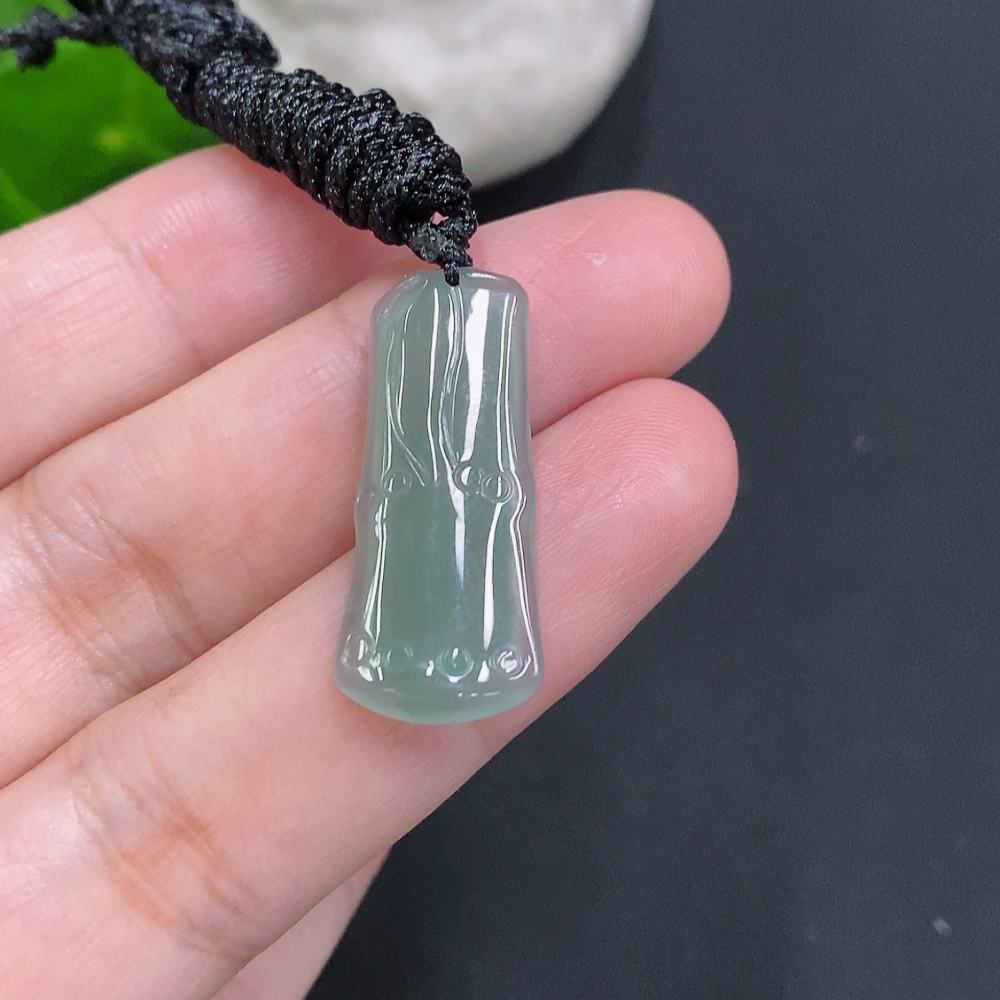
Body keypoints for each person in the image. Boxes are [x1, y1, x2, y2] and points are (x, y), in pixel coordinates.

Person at [0, 146, 737, 999]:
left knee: (466, 492)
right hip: (415, 633)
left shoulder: (462, 315)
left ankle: (454, 641)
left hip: (465, 631)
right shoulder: (430, 316)